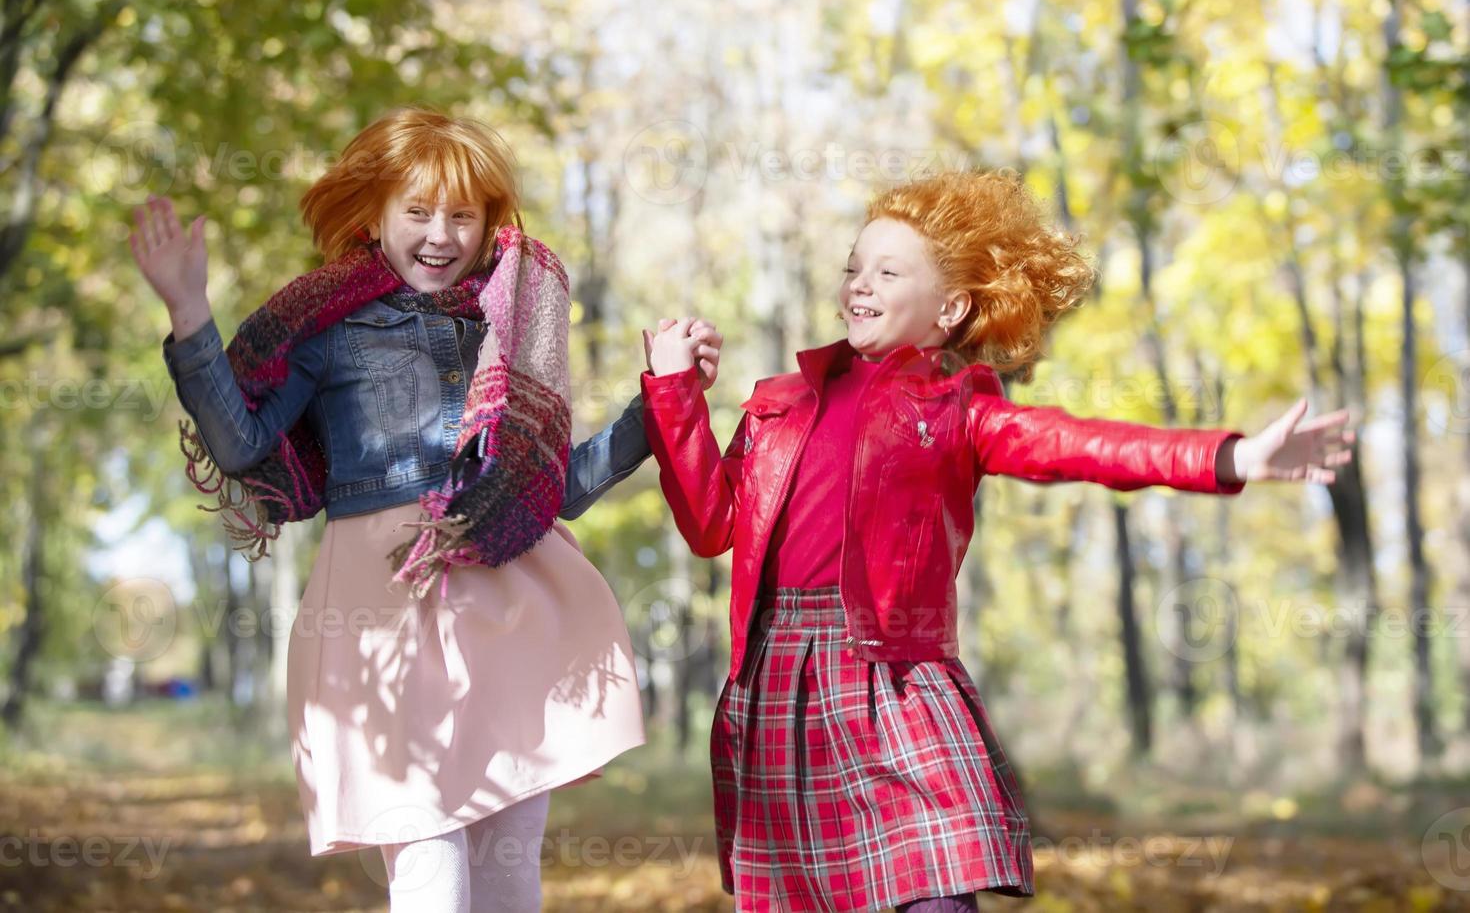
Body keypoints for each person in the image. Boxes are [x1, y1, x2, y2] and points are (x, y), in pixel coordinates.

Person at [641, 169, 1355, 912]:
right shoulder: (776, 404)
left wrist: (1230, 456)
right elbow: (710, 524)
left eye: (888, 271)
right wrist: (674, 392)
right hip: (785, 675)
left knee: (944, 882)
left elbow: (1081, 445)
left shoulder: (957, 409)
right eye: (854, 265)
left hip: (898, 673)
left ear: (948, 307)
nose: (859, 283)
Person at [131, 106, 723, 912]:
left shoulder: (508, 325)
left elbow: (560, 489)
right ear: (374, 216)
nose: (440, 234)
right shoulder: (326, 328)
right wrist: (189, 316)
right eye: (417, 212)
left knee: (508, 867)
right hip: (379, 621)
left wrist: (659, 395)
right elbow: (241, 447)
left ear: (488, 224)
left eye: (461, 215)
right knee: (430, 869)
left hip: (508, 610)